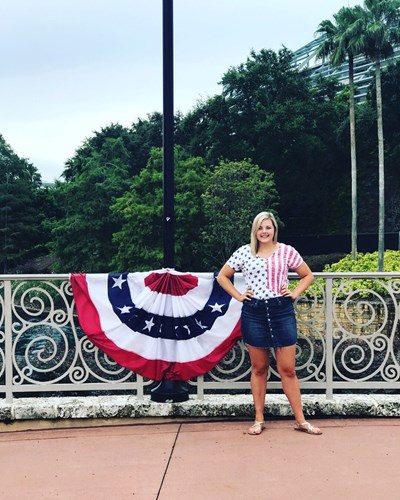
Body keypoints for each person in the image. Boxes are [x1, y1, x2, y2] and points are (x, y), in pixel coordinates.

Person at [217, 211, 322, 436]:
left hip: (281, 310)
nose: (264, 232)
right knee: (259, 368)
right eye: (260, 228)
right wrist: (238, 295)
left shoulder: (287, 251)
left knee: (288, 369)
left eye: (268, 227)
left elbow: (307, 275)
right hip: (254, 312)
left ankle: (301, 420)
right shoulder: (244, 252)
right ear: (255, 230)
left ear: (274, 229)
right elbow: (222, 276)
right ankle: (258, 419)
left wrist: (294, 293)